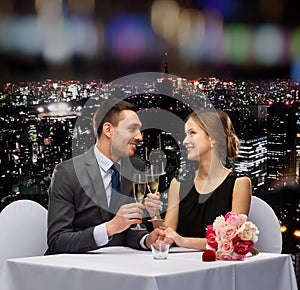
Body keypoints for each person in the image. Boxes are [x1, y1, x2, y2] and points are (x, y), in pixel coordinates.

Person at [46, 98, 164, 254]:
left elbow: (129, 230)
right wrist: (109, 228)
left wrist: (146, 240)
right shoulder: (68, 173)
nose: (140, 137)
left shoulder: (137, 168)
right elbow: (57, 241)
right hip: (77, 268)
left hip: (121, 265)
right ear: (108, 130)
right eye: (132, 129)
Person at [145, 109, 252, 250]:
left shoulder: (239, 184)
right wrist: (154, 213)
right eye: (185, 134)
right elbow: (166, 236)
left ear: (212, 138)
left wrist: (183, 241)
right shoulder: (178, 184)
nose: (184, 141)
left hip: (218, 267)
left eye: (192, 133)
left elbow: (232, 241)